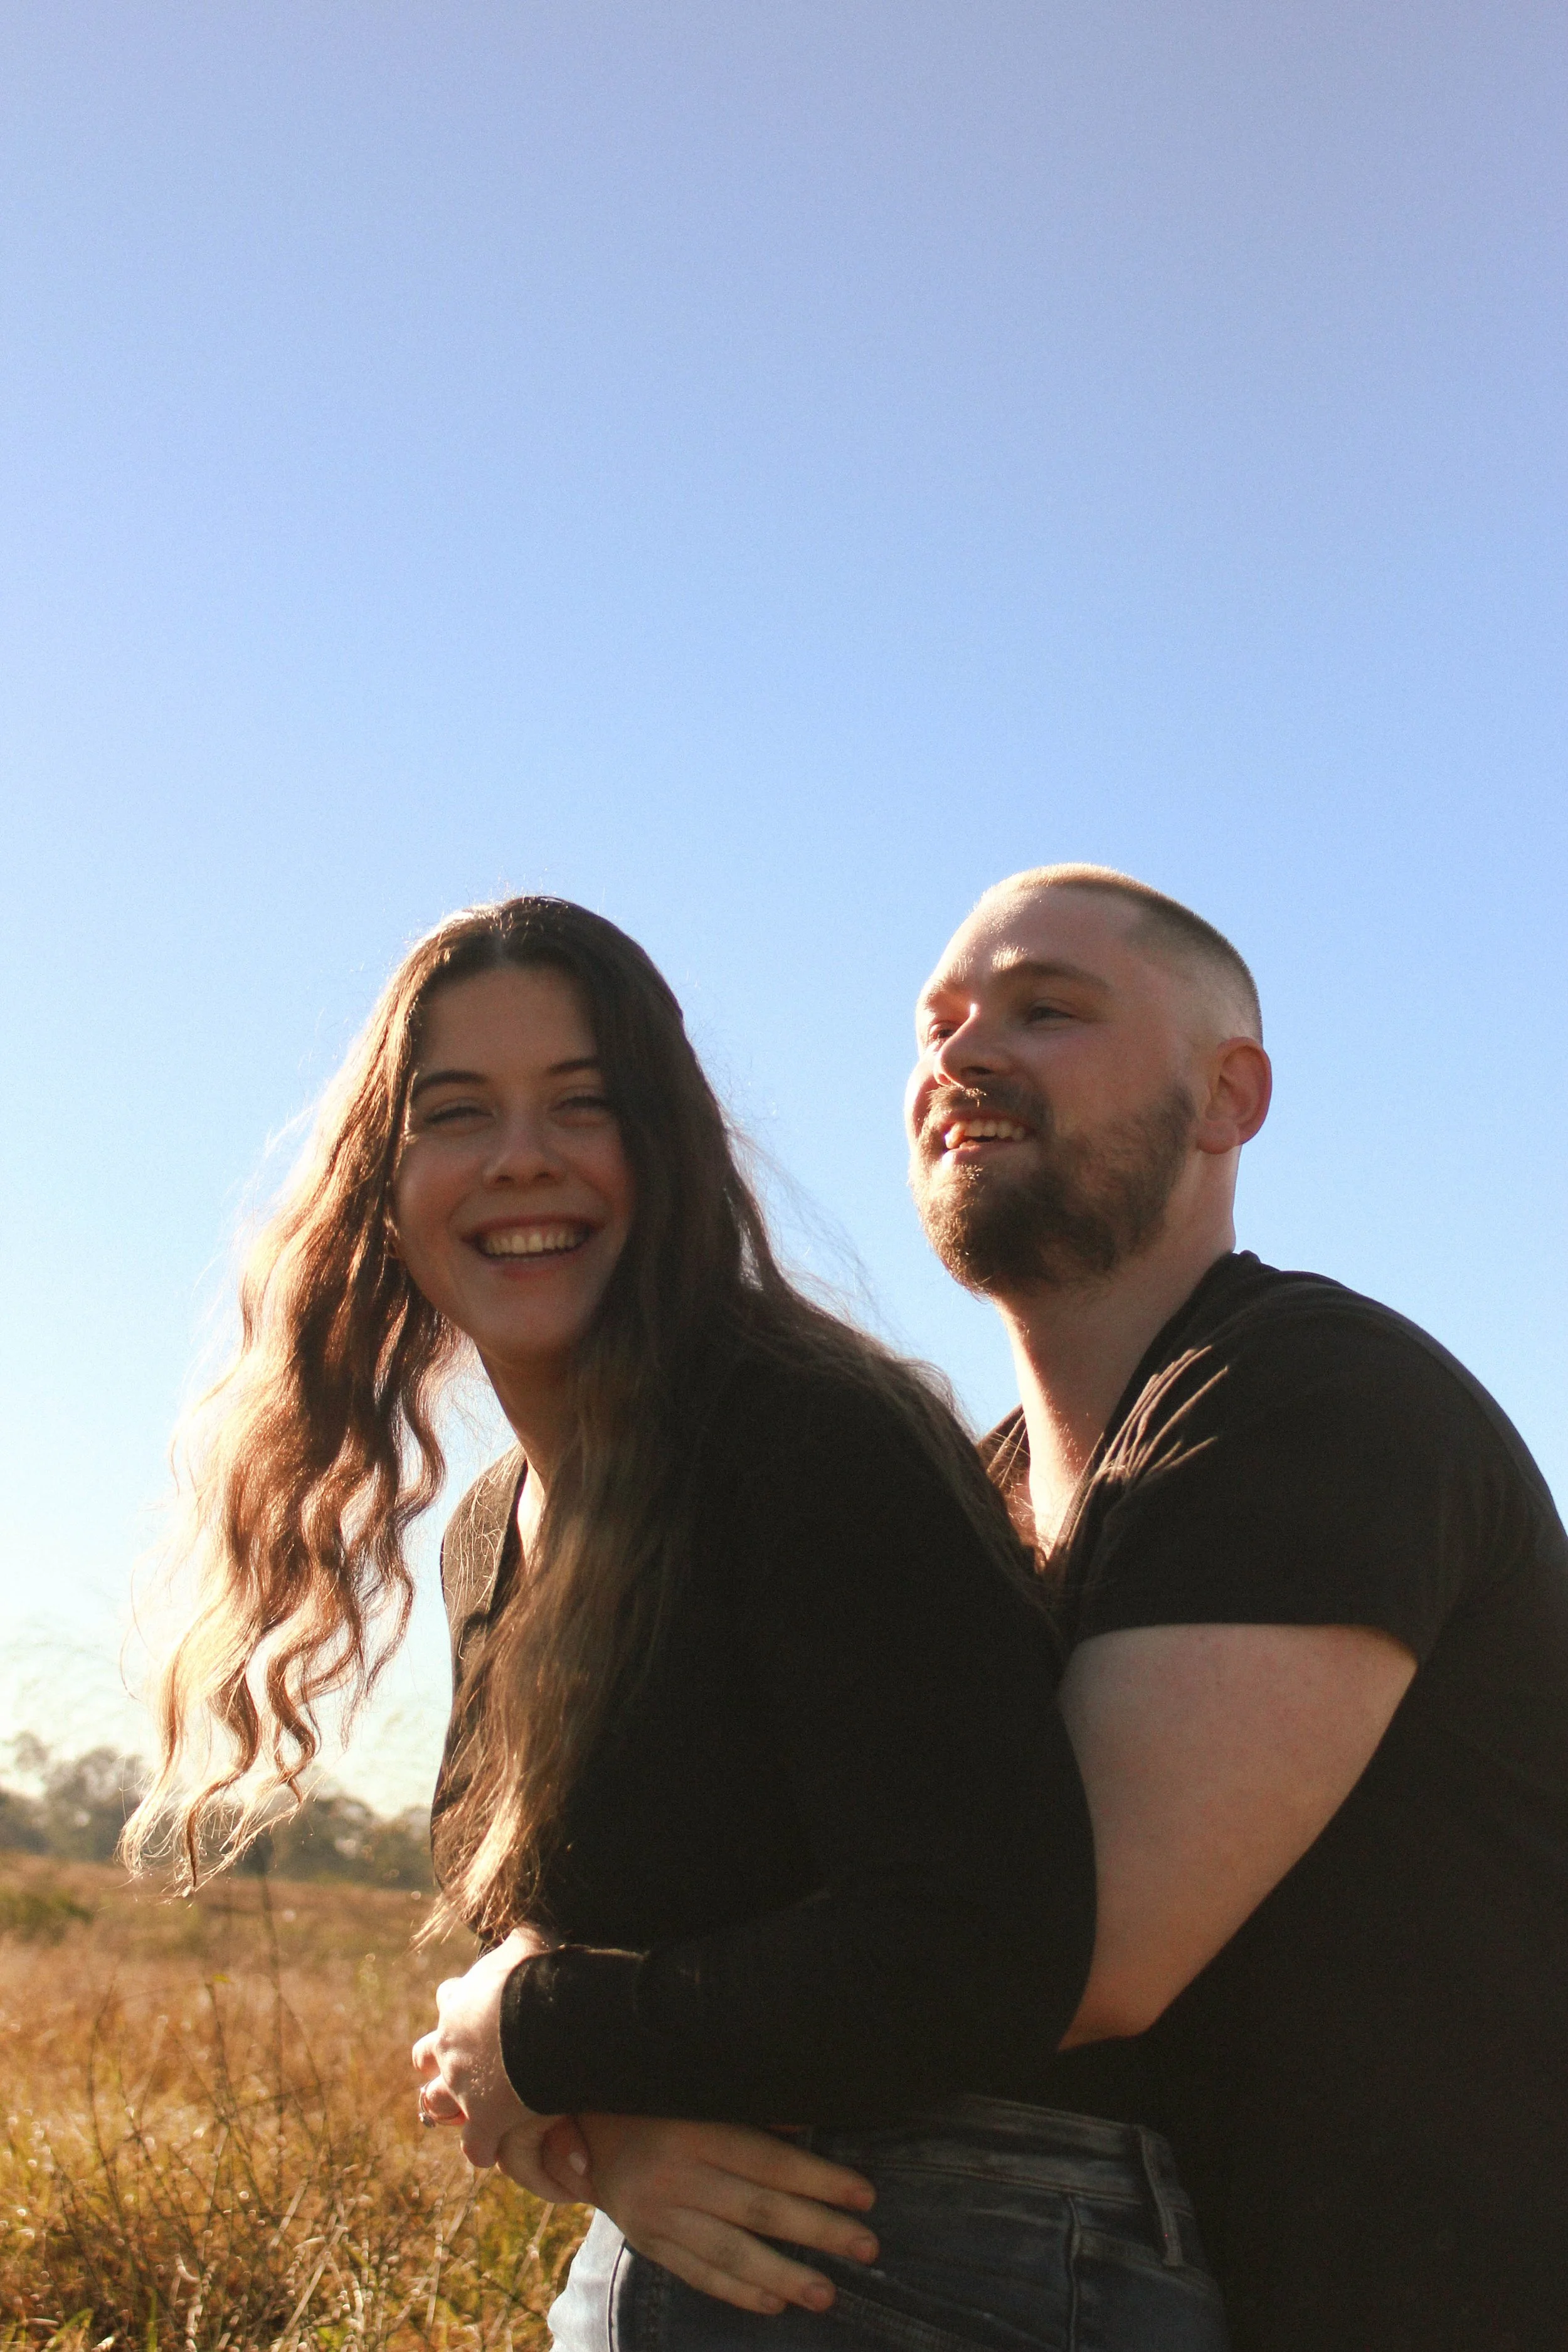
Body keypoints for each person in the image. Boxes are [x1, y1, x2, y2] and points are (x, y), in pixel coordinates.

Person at [122, 894, 1231, 2352]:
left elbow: (978, 1944)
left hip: (958, 2250)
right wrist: (591, 2134)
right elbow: (566, 1959)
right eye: (455, 1114)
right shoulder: (492, 1525)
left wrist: (535, 2040)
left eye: (583, 1105)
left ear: (667, 1154)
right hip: (718, 2233)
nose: (522, 1157)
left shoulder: (797, 1435)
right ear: (382, 1189)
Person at [549, 867, 1568, 2352]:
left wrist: (547, 2035)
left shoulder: (1314, 1401)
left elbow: (1060, 1959)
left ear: (1227, 1096)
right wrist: (613, 2137)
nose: (960, 1057)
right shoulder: (965, 1495)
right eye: (936, 1025)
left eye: (1046, 1010)